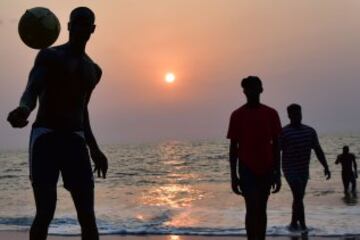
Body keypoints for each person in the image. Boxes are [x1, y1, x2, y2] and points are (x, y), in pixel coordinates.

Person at [7, 7, 108, 240]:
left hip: (75, 140)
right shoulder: (50, 56)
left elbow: (82, 110)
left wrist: (94, 148)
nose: (82, 27)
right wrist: (24, 108)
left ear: (92, 29)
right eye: (77, 22)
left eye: (86, 23)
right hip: (46, 138)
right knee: (45, 211)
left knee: (87, 217)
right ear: (69, 26)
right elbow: (32, 88)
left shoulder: (93, 70)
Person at [227, 76, 282, 240]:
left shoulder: (271, 113)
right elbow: (233, 148)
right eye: (248, 88)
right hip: (246, 168)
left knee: (262, 209)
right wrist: (233, 176)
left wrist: (277, 173)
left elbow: (277, 146)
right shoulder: (237, 115)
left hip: (266, 168)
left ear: (261, 89)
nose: (251, 91)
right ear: (244, 91)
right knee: (251, 208)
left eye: (254, 88)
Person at [280, 104, 331, 232]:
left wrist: (326, 166)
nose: (297, 116)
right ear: (289, 115)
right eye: (294, 114)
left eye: (299, 113)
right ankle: (303, 226)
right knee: (298, 194)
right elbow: (275, 152)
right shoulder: (284, 132)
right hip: (289, 169)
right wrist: (274, 171)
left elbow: (318, 150)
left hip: (303, 170)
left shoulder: (310, 131)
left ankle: (293, 224)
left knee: (299, 197)